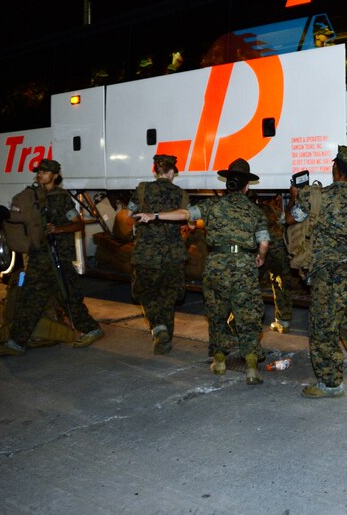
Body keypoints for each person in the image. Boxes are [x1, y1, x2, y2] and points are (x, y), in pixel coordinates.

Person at [135, 159, 269, 385]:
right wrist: (260, 257)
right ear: (247, 187)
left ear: (228, 184)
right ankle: (252, 367)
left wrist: (155, 215)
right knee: (248, 315)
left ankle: (219, 361)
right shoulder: (256, 212)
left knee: (217, 313)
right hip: (245, 267)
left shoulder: (211, 206)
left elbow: (184, 214)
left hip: (216, 266)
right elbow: (264, 242)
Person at [287, 145, 347, 398]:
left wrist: (296, 195)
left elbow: (293, 218)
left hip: (330, 273)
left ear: (335, 168)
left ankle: (330, 384)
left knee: (323, 328)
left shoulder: (317, 196)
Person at [0, 159, 104, 356]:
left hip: (59, 257)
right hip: (39, 256)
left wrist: (59, 229)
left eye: (45, 172)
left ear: (55, 176)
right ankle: (16, 343)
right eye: (39, 171)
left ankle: (92, 329)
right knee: (31, 298)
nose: (40, 174)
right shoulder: (33, 196)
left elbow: (78, 224)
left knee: (69, 298)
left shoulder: (61, 198)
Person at [127, 154, 190, 354]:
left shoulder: (142, 189)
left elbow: (130, 213)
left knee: (145, 292)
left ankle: (158, 327)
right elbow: (188, 220)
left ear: (155, 171)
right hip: (173, 254)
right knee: (168, 297)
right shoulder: (181, 194)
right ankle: (165, 339)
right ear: (171, 173)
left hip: (147, 253)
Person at [257, 194, 297, 334]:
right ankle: (283, 321)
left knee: (250, 285)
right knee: (281, 284)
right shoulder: (277, 211)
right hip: (279, 251)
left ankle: (245, 321)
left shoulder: (255, 210)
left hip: (261, 251)